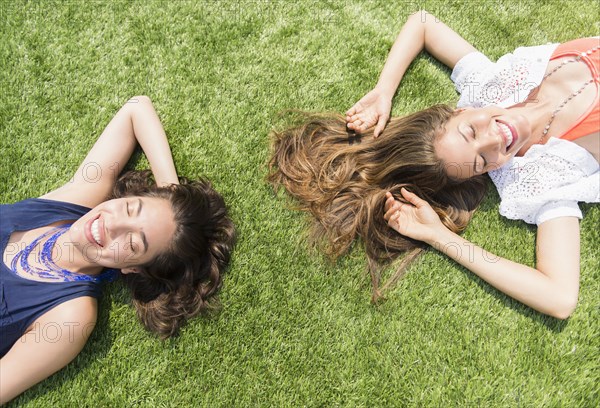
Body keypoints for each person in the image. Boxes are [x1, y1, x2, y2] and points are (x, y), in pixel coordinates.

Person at [269, 11, 598, 317]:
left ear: (462, 111)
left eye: (470, 131)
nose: (493, 140)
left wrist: (384, 90)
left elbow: (423, 23)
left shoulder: (492, 85)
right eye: (482, 161)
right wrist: (441, 237)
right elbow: (559, 298)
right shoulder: (547, 174)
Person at [0, 96, 236, 403]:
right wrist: (169, 193)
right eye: (131, 208)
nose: (111, 225)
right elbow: (136, 109)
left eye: (134, 243)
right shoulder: (81, 198)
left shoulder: (69, 317)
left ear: (133, 268)